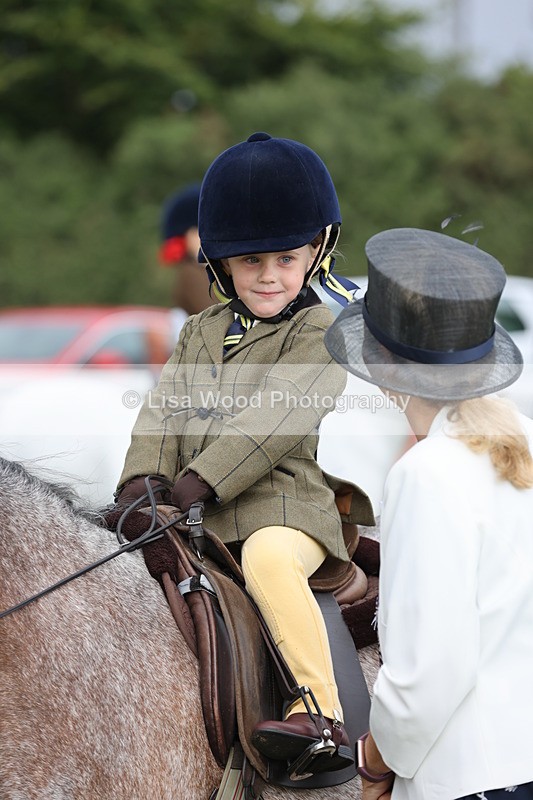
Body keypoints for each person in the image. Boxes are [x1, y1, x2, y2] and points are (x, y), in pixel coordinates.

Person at [111, 132, 373, 774]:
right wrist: (141, 480)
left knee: (269, 560)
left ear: (317, 251)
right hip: (195, 509)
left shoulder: (322, 330)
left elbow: (275, 418)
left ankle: (322, 714)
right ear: (222, 262)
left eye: (286, 258)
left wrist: (200, 479)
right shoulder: (202, 330)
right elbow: (165, 405)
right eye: (250, 261)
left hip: (285, 508)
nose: (268, 276)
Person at [324, 227, 533, 800]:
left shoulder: (426, 473)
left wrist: (372, 760)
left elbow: (428, 677)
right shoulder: (526, 443)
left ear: (383, 363)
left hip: (470, 780)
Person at [159, 183, 214, 330]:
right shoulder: (190, 274)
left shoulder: (206, 270)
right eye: (199, 232)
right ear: (187, 237)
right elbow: (213, 314)